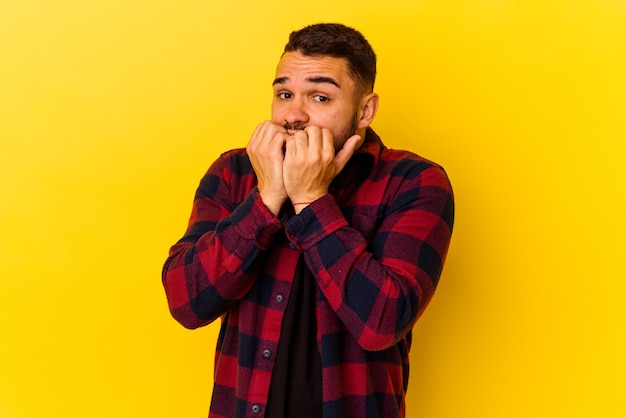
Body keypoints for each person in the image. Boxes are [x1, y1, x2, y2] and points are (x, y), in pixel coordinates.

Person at [162, 23, 454, 418]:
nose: (294, 115)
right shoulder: (234, 173)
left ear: (364, 110)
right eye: (284, 94)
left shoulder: (414, 182)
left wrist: (311, 198)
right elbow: (186, 302)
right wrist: (266, 198)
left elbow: (382, 321)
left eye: (319, 96)